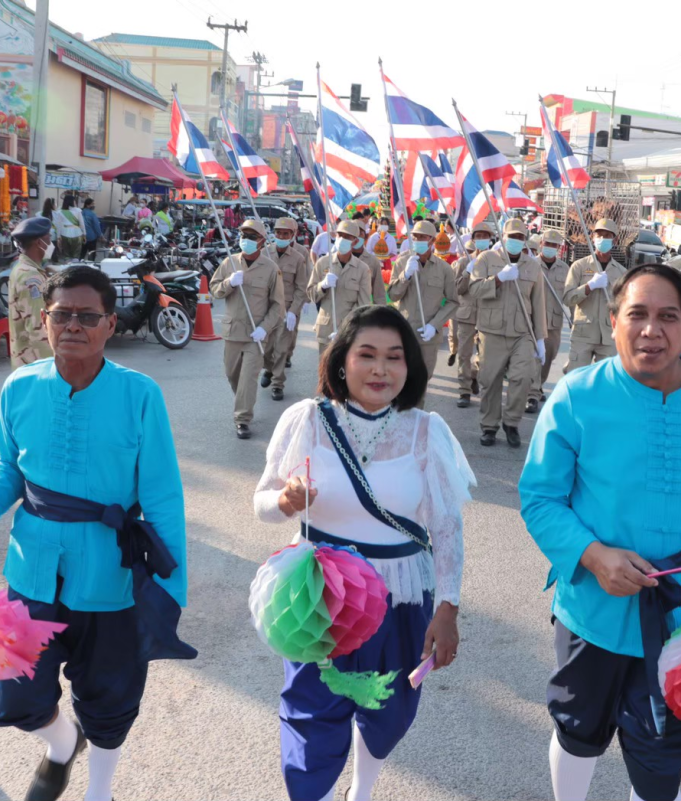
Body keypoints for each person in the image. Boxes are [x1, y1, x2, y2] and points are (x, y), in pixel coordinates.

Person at [0, 266, 190, 801]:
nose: (74, 325)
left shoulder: (140, 395)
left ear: (110, 324)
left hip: (111, 578)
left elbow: (161, 498)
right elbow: (9, 468)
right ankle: (62, 745)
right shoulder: (20, 386)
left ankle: (98, 792)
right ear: (45, 320)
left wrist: (172, 592)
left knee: (109, 697)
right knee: (13, 697)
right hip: (31, 569)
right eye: (63, 315)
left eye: (88, 316)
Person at [520, 263, 681, 801]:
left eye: (669, 317)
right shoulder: (577, 395)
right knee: (578, 729)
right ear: (613, 321)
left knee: (664, 746)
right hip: (592, 609)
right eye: (637, 315)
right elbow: (540, 496)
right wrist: (594, 556)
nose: (652, 330)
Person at [253, 304, 475, 801]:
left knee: (389, 709)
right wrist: (286, 501)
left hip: (399, 598)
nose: (380, 369)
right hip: (317, 598)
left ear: (410, 366)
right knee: (310, 713)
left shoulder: (425, 431)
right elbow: (262, 503)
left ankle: (363, 789)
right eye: (367, 355)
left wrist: (448, 607)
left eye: (394, 358)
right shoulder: (306, 419)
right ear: (341, 362)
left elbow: (447, 527)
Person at [467, 217, 548, 448]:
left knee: (523, 378)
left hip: (522, 333)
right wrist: (499, 279)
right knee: (489, 381)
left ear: (525, 241)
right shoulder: (487, 259)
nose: (515, 240)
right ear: (503, 237)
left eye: (520, 237)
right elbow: (473, 289)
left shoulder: (533, 266)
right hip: (491, 332)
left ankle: (511, 422)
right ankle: (489, 426)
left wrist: (540, 339)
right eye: (511, 236)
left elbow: (538, 303)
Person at [210, 219, 286, 440]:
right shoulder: (229, 263)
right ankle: (243, 399)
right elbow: (214, 290)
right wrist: (229, 284)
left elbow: (277, 305)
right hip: (233, 331)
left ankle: (242, 419)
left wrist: (265, 328)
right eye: (244, 236)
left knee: (248, 378)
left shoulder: (271, 268)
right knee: (232, 375)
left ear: (262, 241)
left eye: (252, 237)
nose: (247, 241)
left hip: (256, 334)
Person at [387, 220, 460, 405]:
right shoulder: (403, 262)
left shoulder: (444, 269)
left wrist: (435, 326)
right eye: (415, 237)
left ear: (432, 240)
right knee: (399, 380)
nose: (418, 240)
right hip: (404, 333)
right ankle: (397, 419)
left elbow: (453, 301)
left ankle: (415, 422)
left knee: (420, 382)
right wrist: (406, 275)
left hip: (428, 336)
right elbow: (393, 294)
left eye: (422, 237)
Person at [564, 219, 628, 372]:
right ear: (592, 238)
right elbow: (568, 298)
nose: (602, 239)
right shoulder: (579, 266)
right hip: (583, 334)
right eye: (599, 235)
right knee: (576, 378)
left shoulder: (621, 272)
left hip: (609, 336)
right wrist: (589, 286)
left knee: (606, 382)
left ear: (615, 240)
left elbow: (625, 307)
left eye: (607, 236)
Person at [260, 217, 312, 402]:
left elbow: (302, 285)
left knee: (282, 348)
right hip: (267, 308)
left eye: (286, 233)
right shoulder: (264, 253)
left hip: (288, 308)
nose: (281, 236)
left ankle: (277, 384)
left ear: (292, 235)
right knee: (266, 347)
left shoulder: (299, 257)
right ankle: (268, 368)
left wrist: (296, 308)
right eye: (278, 233)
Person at [308, 219, 372, 356]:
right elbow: (311, 294)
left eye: (348, 237)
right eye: (340, 235)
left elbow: (363, 305)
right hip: (325, 329)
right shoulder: (323, 263)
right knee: (324, 374)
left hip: (349, 333)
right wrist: (323, 286)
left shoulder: (362, 269)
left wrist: (345, 328)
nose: (342, 239)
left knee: (345, 374)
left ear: (355, 242)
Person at [450, 223, 494, 408]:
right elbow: (456, 289)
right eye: (479, 236)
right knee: (464, 354)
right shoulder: (463, 262)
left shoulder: (496, 262)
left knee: (486, 356)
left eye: (486, 236)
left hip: (488, 313)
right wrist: (468, 272)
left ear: (490, 239)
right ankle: (464, 391)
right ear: (473, 239)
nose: (482, 239)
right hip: (467, 314)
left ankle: (473, 375)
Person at [528, 229, 571, 415]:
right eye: (548, 244)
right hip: (531, 322)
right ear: (541, 245)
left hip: (553, 323)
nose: (551, 248)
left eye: (555, 245)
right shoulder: (530, 265)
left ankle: (538, 387)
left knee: (548, 357)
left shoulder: (565, 269)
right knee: (534, 359)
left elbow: (569, 296)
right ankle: (532, 394)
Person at [7, 216, 55, 369]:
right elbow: (38, 329)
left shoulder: (23, 269)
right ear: (39, 242)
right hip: (35, 364)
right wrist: (52, 366)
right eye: (49, 238)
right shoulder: (31, 278)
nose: (51, 243)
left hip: (26, 360)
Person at [351, 227, 386, 305]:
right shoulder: (339, 260)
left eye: (360, 233)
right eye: (354, 233)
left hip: (363, 310)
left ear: (365, 236)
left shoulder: (373, 261)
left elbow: (379, 293)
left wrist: (381, 314)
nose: (357, 237)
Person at [53, 196, 86, 263]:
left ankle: (67, 268)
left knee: (66, 255)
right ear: (73, 201)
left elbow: (58, 225)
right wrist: (84, 234)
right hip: (77, 233)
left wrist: (58, 237)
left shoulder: (59, 212)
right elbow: (82, 224)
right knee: (76, 255)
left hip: (64, 234)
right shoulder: (78, 211)